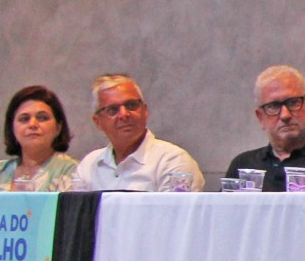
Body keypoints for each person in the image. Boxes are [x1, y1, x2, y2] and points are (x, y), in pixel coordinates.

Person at [70, 74, 205, 192]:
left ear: (145, 111)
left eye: (131, 105)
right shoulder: (88, 166)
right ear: (98, 122)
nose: (124, 114)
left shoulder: (172, 161)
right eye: (113, 109)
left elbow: (176, 213)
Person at [0, 86, 81, 192]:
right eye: (24, 119)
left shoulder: (74, 171)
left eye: (42, 118)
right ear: (12, 128)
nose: (33, 124)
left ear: (58, 127)